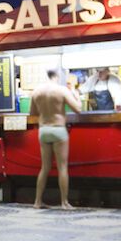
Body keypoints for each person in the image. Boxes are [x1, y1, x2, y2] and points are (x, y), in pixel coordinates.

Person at [30, 69, 82, 209]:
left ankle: (37, 202)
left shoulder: (36, 91)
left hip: (43, 130)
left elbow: (32, 113)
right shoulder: (62, 90)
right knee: (62, 167)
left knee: (45, 167)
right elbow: (78, 109)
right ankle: (64, 203)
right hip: (58, 130)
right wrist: (76, 96)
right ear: (57, 76)